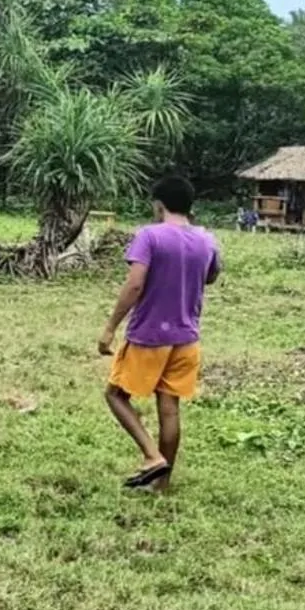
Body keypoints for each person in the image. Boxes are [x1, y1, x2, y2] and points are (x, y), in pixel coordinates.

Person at [97, 176, 220, 492]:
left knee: (115, 395)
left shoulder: (149, 235)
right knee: (169, 408)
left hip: (149, 335)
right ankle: (161, 485)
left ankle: (153, 457)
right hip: (186, 338)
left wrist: (110, 327)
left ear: (159, 205)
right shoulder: (207, 240)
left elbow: (135, 284)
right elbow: (211, 276)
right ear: (190, 206)